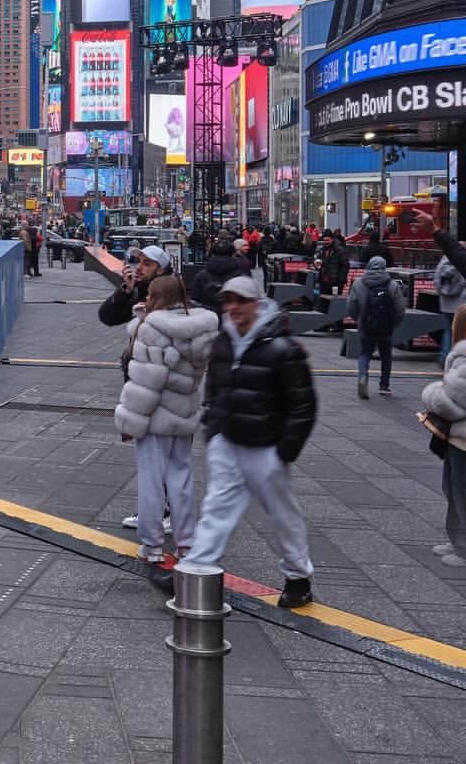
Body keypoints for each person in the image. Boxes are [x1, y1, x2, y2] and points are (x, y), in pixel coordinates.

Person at [191, 276, 318, 607]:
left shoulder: (283, 348)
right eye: (227, 301)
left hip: (267, 445)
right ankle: (197, 568)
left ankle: (297, 576)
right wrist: (214, 429)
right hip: (228, 439)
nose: (232, 307)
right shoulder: (224, 342)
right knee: (217, 505)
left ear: (257, 304)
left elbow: (303, 405)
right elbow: (215, 388)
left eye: (240, 300)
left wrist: (285, 451)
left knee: (281, 512)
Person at [114, 275, 219, 564]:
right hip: (184, 412)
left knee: (151, 480)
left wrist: (129, 422)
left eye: (149, 295)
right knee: (181, 476)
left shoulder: (152, 330)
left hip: (155, 417)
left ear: (156, 297)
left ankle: (152, 546)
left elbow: (147, 384)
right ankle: (186, 542)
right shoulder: (201, 328)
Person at [420, 305, 466, 566]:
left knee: (460, 491)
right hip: (458, 438)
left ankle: (463, 547)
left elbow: (449, 401)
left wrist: (431, 393)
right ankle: (457, 539)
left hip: (463, 439)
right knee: (452, 487)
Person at [347, 255, 406, 399]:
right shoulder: (392, 285)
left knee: (365, 353)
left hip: (366, 325)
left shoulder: (358, 284)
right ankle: (384, 386)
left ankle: (362, 377)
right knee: (386, 355)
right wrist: (394, 323)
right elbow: (400, 309)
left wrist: (359, 320)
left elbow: (351, 307)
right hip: (386, 327)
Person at [97, 244, 172, 327]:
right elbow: (108, 318)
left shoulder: (169, 293)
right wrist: (126, 291)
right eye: (138, 261)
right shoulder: (140, 288)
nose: (139, 267)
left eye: (146, 264)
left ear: (160, 270)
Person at [436, 246, 466, 368]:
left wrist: (441, 293)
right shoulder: (463, 260)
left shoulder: (445, 258)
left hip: (445, 303)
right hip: (461, 304)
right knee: (460, 333)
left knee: (448, 331)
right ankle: (457, 361)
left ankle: (444, 358)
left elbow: (436, 278)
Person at [192, 238, 240, 313]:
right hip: (233, 315)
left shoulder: (201, 275)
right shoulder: (240, 275)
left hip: (207, 317)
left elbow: (194, 301)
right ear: (233, 253)